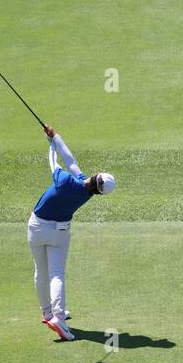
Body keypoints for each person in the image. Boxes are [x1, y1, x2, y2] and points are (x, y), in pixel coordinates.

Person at [28, 124, 116, 341]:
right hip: (58, 233)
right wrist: (56, 137)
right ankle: (57, 316)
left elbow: (56, 162)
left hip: (36, 227)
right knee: (56, 273)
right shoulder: (86, 192)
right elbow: (71, 161)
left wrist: (50, 144)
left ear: (95, 175)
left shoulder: (66, 180)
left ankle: (49, 312)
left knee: (41, 270)